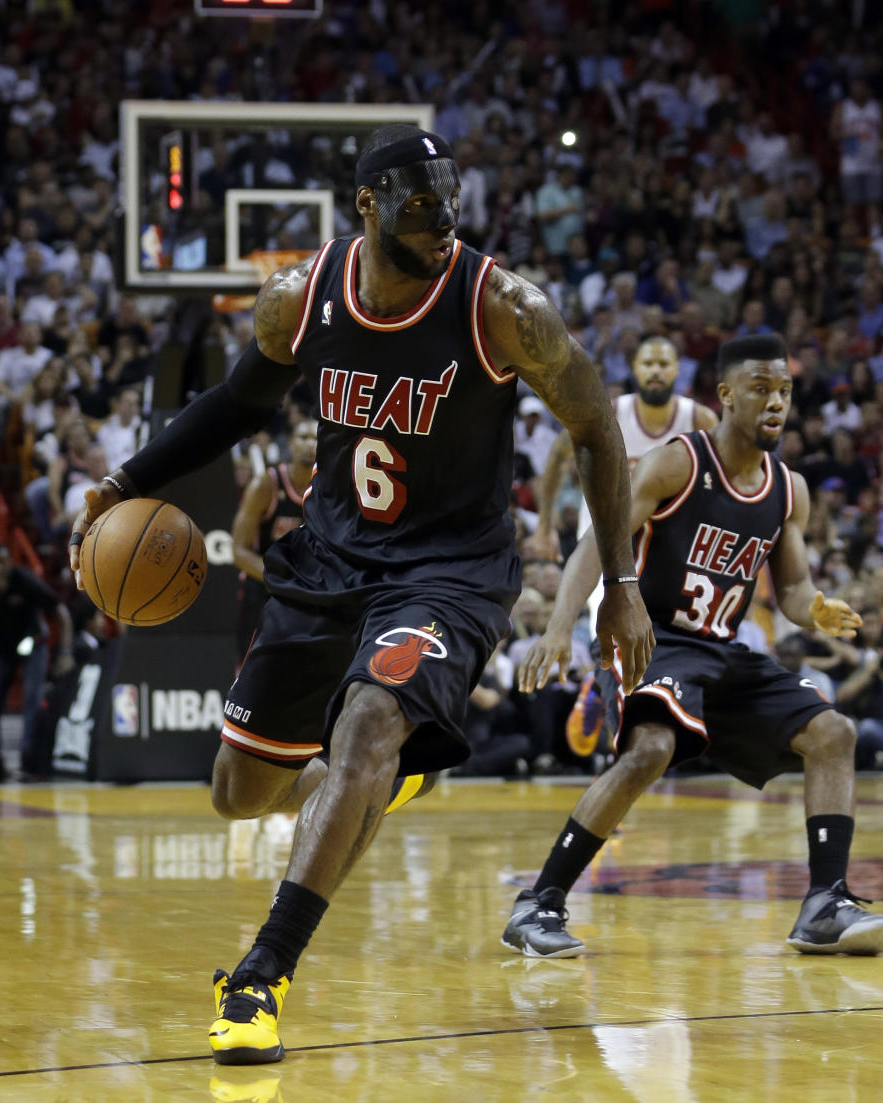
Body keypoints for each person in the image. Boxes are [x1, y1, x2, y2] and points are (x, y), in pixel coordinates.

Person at [68, 125, 654, 1064]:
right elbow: (236, 405)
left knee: (370, 721)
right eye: (420, 205)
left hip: (450, 571)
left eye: (452, 201)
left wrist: (621, 580)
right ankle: (378, 777)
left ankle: (260, 976)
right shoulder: (299, 298)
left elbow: (595, 428)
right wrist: (126, 479)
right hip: (332, 560)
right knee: (237, 792)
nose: (444, 222)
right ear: (368, 206)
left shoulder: (504, 306)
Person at [504, 334, 883, 960]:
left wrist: (814, 609)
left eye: (785, 392)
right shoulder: (676, 464)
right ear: (726, 396)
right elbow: (599, 541)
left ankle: (825, 903)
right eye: (761, 390)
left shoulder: (787, 489)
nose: (776, 403)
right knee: (650, 750)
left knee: (836, 735)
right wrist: (559, 628)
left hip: (721, 650)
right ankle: (540, 902)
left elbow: (792, 587)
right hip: (650, 640)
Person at [528, 336, 719, 563]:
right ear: (635, 368)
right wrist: (544, 524)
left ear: (677, 369)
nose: (655, 370)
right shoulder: (610, 413)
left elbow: (723, 479)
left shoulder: (699, 419)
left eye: (664, 364)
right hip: (604, 539)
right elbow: (558, 455)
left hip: (671, 542)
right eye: (648, 364)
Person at [0, 543, 74, 780]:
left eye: (3, 561)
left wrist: (65, 653)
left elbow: (60, 612)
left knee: (32, 700)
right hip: (2, 649)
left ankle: (29, 761)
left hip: (33, 643)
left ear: (11, 562)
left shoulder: (23, 579)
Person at [231, 418, 318, 662]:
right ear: (290, 443)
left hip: (308, 591)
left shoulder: (327, 488)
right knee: (250, 672)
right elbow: (238, 550)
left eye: (316, 438)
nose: (310, 444)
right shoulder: (266, 484)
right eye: (303, 438)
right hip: (263, 589)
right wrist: (283, 578)